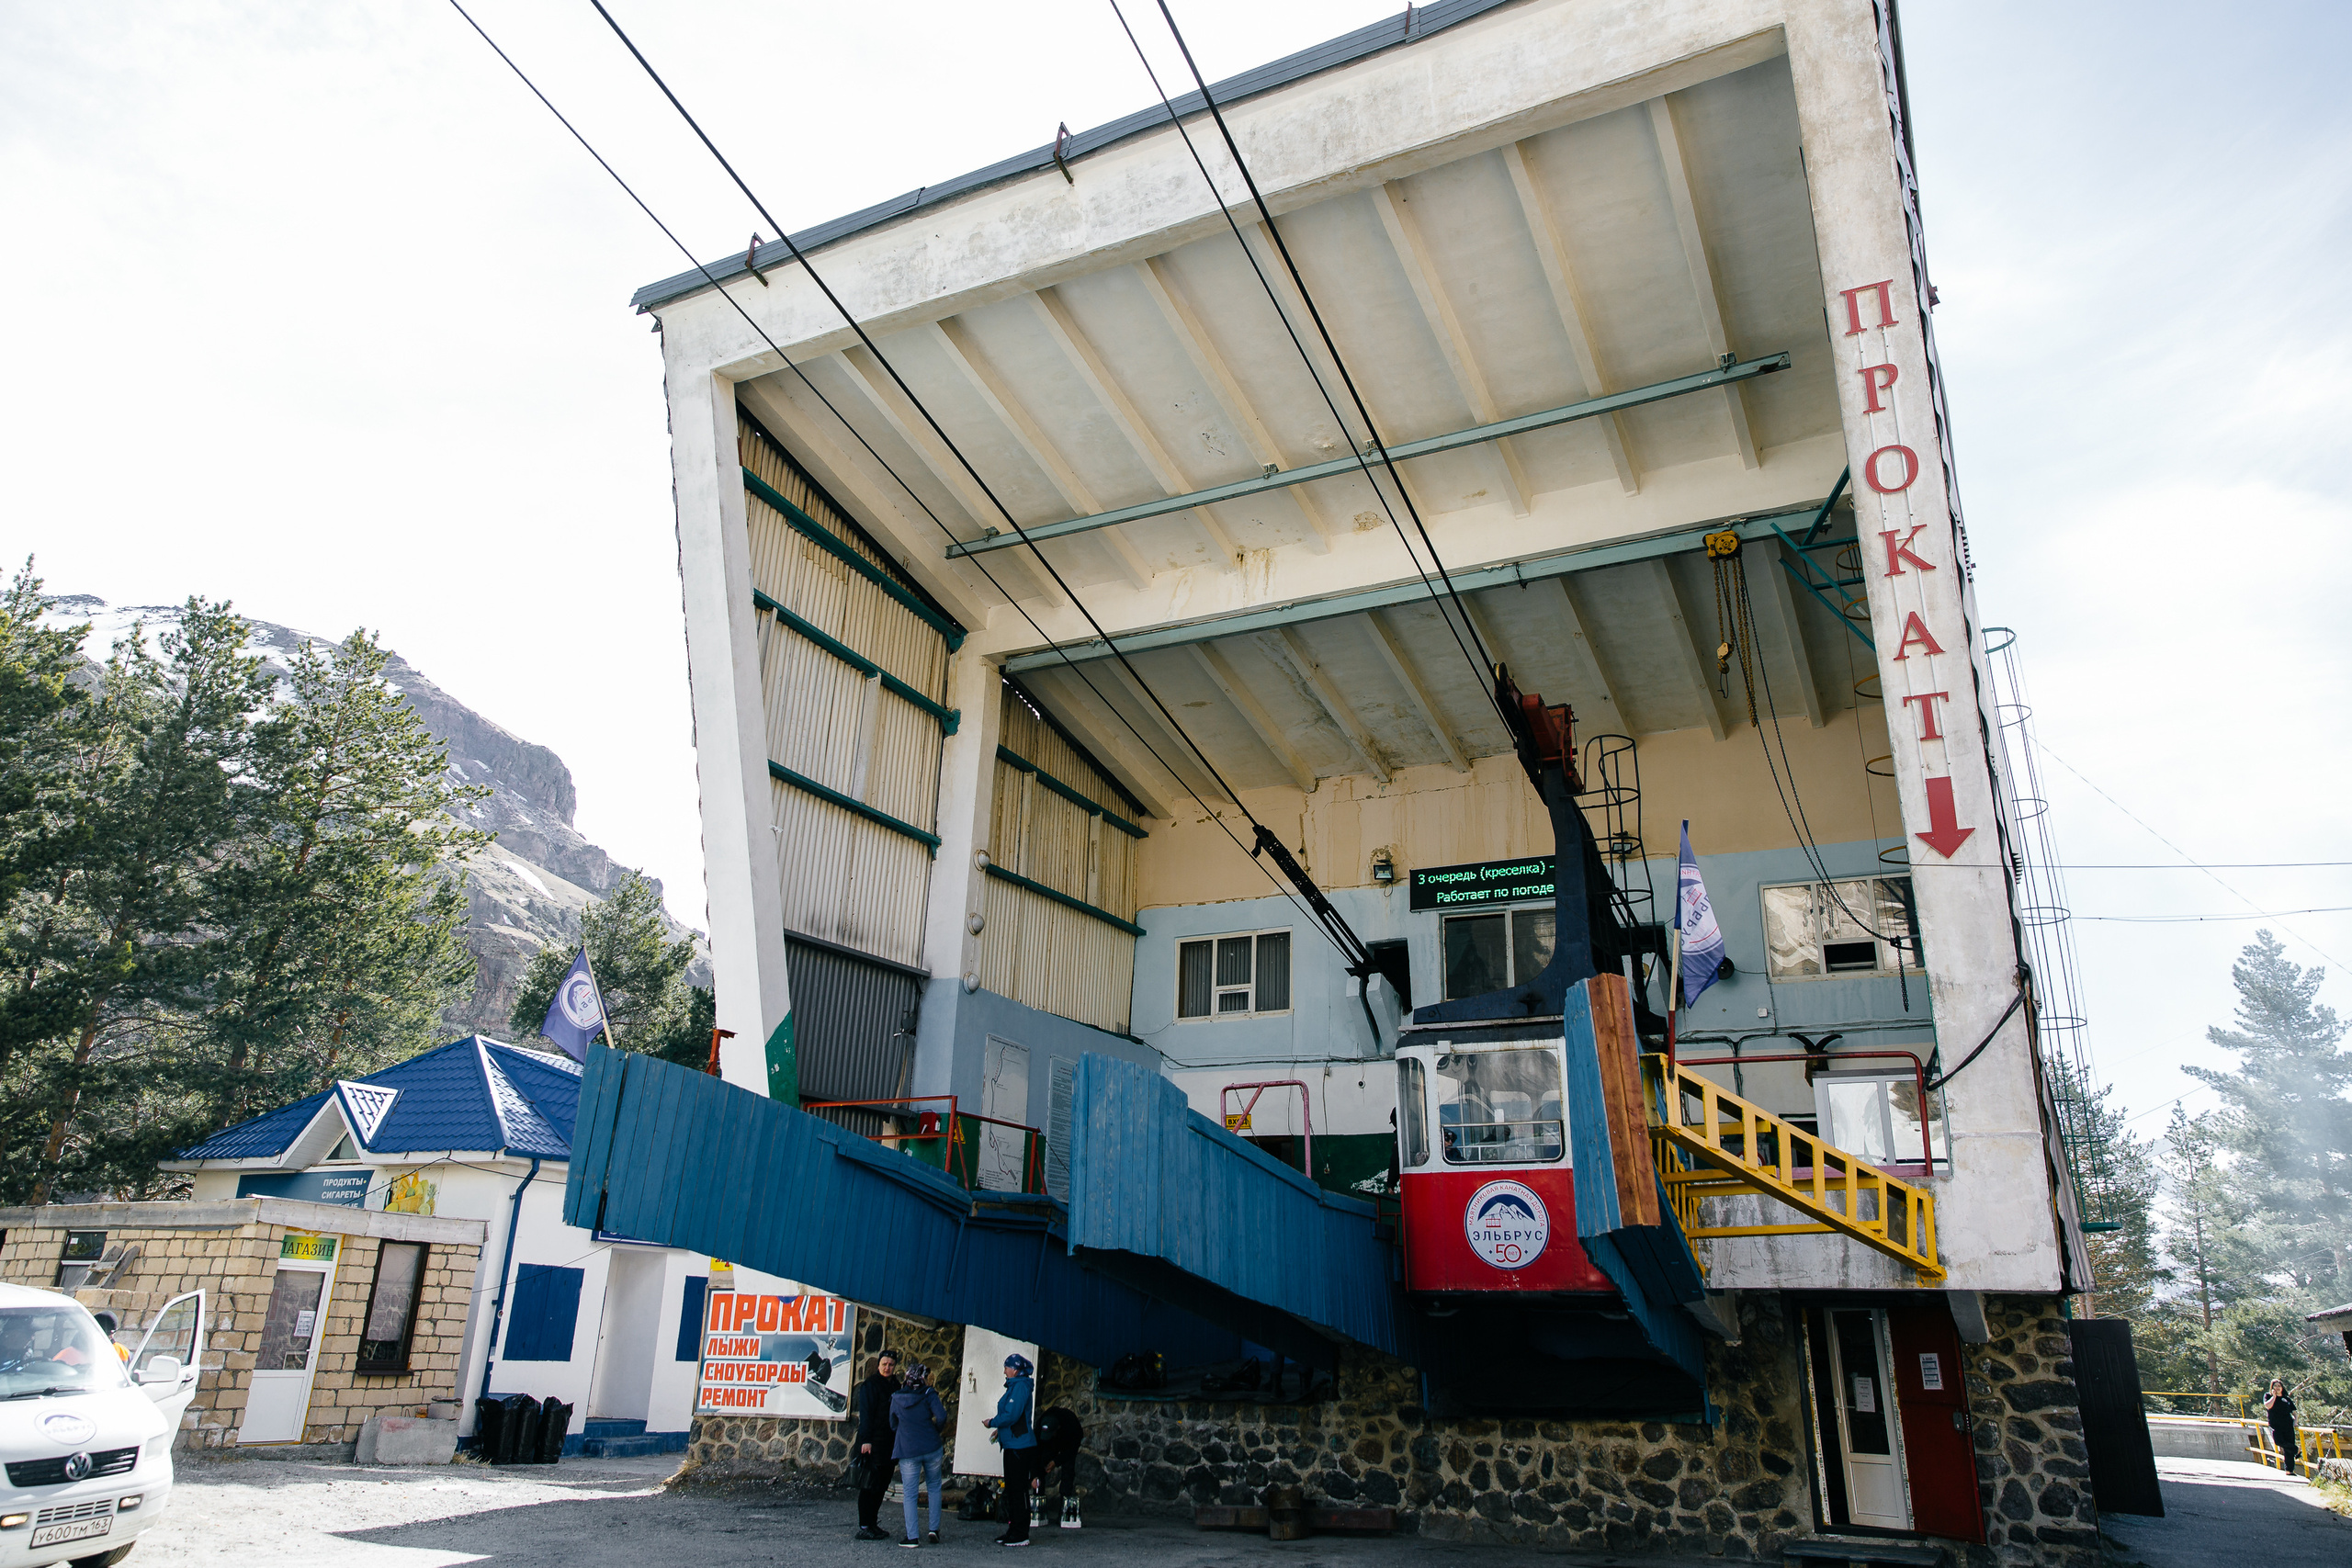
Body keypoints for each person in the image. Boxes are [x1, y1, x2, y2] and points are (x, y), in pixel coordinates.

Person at [891, 1362, 950, 1547]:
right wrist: (935, 1430)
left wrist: (904, 1431)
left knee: (909, 1493)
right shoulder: (929, 1394)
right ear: (922, 1378)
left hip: (908, 1449)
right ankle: (933, 1529)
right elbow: (941, 1417)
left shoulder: (897, 1398)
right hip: (931, 1446)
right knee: (934, 1487)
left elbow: (892, 1423)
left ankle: (912, 1537)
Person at [983, 1353, 1038, 1546]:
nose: (1004, 1370)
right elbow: (1013, 1416)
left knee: (1019, 1489)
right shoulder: (1014, 1386)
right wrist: (1000, 1430)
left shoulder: (1021, 1386)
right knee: (1013, 1490)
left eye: (1006, 1367)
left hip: (1020, 1446)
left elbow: (1012, 1415)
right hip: (1012, 1444)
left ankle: (1021, 1533)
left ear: (1015, 1369)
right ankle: (1013, 1529)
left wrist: (992, 1422)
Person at [853, 1350, 900, 1540]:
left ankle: (873, 1522)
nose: (887, 1367)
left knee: (882, 1484)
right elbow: (865, 1415)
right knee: (869, 1485)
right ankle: (865, 1525)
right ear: (878, 1365)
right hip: (872, 1442)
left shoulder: (896, 1385)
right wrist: (866, 1440)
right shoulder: (870, 1385)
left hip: (889, 1442)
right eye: (884, 1364)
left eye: (890, 1364)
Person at [1035, 1405, 1084, 1529]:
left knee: (1068, 1470)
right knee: (1041, 1463)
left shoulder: (1071, 1426)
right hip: (1050, 1444)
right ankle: (1038, 1505)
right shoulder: (1040, 1424)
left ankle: (1065, 1509)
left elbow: (1071, 1450)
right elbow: (1036, 1450)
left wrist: (1056, 1461)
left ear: (1057, 1428)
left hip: (1068, 1441)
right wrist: (1035, 1473)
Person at [2265, 1379, 2299, 1472]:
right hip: (2275, 1425)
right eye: (2275, 1386)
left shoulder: (2286, 1399)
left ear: (2282, 1388)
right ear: (2272, 1388)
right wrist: (2274, 1397)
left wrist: (2295, 1422)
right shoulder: (2268, 1396)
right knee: (2278, 1442)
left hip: (2288, 1425)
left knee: (2288, 1450)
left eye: (2279, 1386)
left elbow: (2295, 1412)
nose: (2277, 1388)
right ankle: (2296, 1450)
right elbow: (2268, 1406)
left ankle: (2289, 1470)